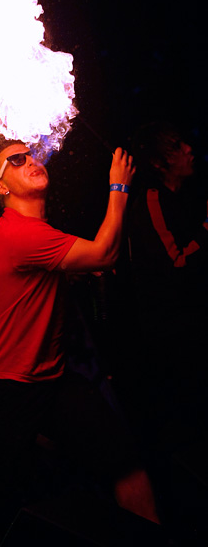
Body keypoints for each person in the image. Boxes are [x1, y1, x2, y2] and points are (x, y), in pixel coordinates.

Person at [0, 138, 160, 543]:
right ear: (1, 187)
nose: (31, 160)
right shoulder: (18, 234)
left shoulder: (37, 231)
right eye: (16, 161)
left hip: (50, 379)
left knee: (127, 465)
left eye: (30, 153)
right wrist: (118, 187)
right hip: (5, 388)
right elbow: (104, 253)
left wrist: (72, 273)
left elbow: (49, 270)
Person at [125, 122, 208, 458]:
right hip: (172, 337)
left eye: (184, 143)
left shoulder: (187, 197)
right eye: (176, 147)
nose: (189, 149)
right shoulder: (152, 199)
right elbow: (175, 264)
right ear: (159, 163)